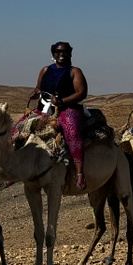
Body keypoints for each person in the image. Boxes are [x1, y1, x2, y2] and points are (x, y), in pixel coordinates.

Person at [33, 41, 88, 189]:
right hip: (45, 108)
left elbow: (81, 93)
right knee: (22, 127)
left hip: (67, 108)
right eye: (58, 51)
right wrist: (36, 92)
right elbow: (39, 87)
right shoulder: (45, 70)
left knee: (72, 132)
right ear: (53, 54)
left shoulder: (75, 71)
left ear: (70, 53)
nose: (61, 54)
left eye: (64, 51)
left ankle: (79, 174)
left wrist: (61, 101)